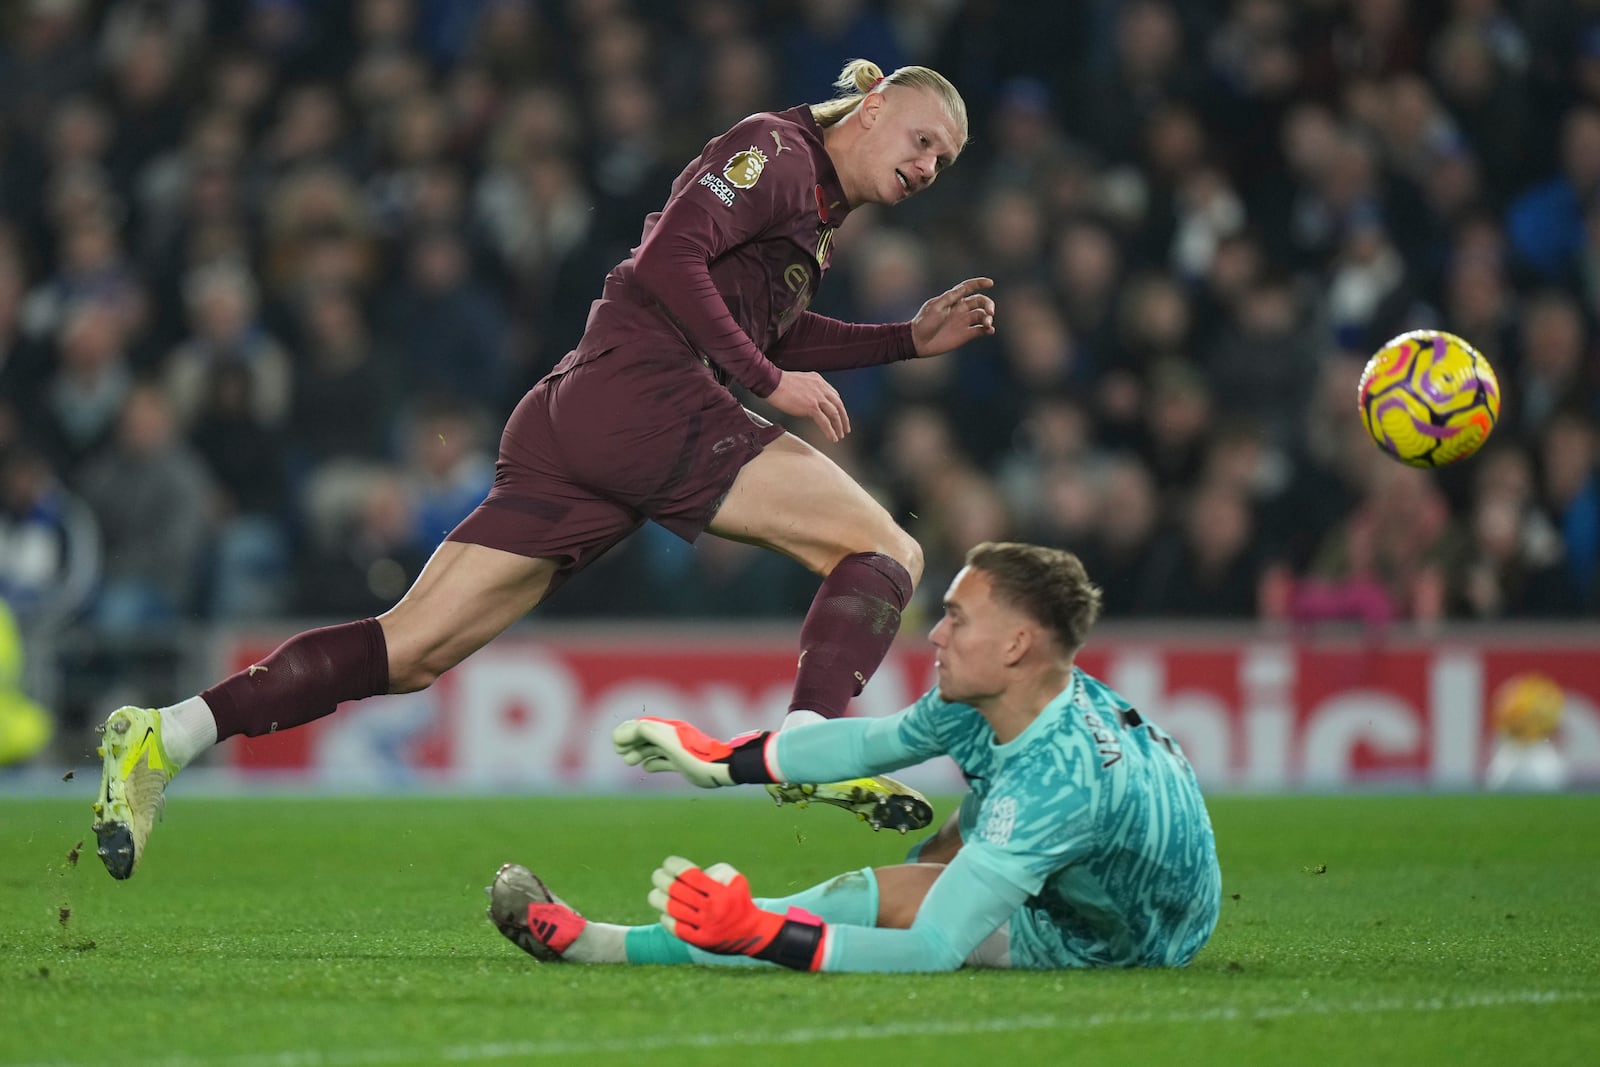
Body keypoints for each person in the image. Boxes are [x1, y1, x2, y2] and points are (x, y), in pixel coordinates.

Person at [92, 58, 997, 879]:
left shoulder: (815, 208)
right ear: (874, 108)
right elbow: (670, 258)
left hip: (582, 412)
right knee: (884, 549)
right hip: (643, 392)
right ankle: (810, 742)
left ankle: (165, 735)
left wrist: (905, 341)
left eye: (943, 164)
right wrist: (768, 384)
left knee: (409, 650)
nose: (926, 168)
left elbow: (769, 325)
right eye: (923, 142)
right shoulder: (777, 150)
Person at [487, 542, 1222, 973]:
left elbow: (936, 946)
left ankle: (597, 944)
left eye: (956, 619)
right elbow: (868, 742)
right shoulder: (1001, 694)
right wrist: (719, 758)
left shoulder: (1057, 785)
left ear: (1016, 645)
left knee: (895, 899)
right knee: (933, 856)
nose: (934, 634)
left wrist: (763, 933)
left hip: (1129, 935)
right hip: (1095, 846)